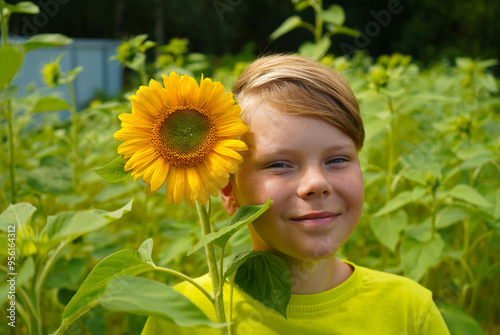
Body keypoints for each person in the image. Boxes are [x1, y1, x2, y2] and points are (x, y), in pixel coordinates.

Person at [142, 54, 450, 334]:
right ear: (228, 190)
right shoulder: (179, 316)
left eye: (337, 159)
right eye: (279, 164)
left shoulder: (409, 313)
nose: (317, 183)